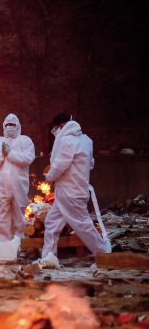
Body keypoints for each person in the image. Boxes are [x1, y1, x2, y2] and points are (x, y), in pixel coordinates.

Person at [38, 113, 111, 267]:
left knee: (83, 226)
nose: (54, 132)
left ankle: (104, 255)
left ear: (61, 126)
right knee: (51, 223)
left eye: (55, 129)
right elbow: (90, 163)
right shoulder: (86, 140)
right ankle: (48, 257)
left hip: (70, 193)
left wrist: (48, 175)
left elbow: (59, 167)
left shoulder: (66, 141)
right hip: (73, 190)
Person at [0, 113, 35, 241]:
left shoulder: (25, 141)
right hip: (1, 186)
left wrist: (10, 154)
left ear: (18, 126)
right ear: (3, 126)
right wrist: (2, 155)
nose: (10, 127)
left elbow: (27, 159)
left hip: (18, 185)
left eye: (13, 124)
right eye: (7, 124)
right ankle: (3, 245)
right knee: (2, 216)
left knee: (18, 217)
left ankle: (18, 244)